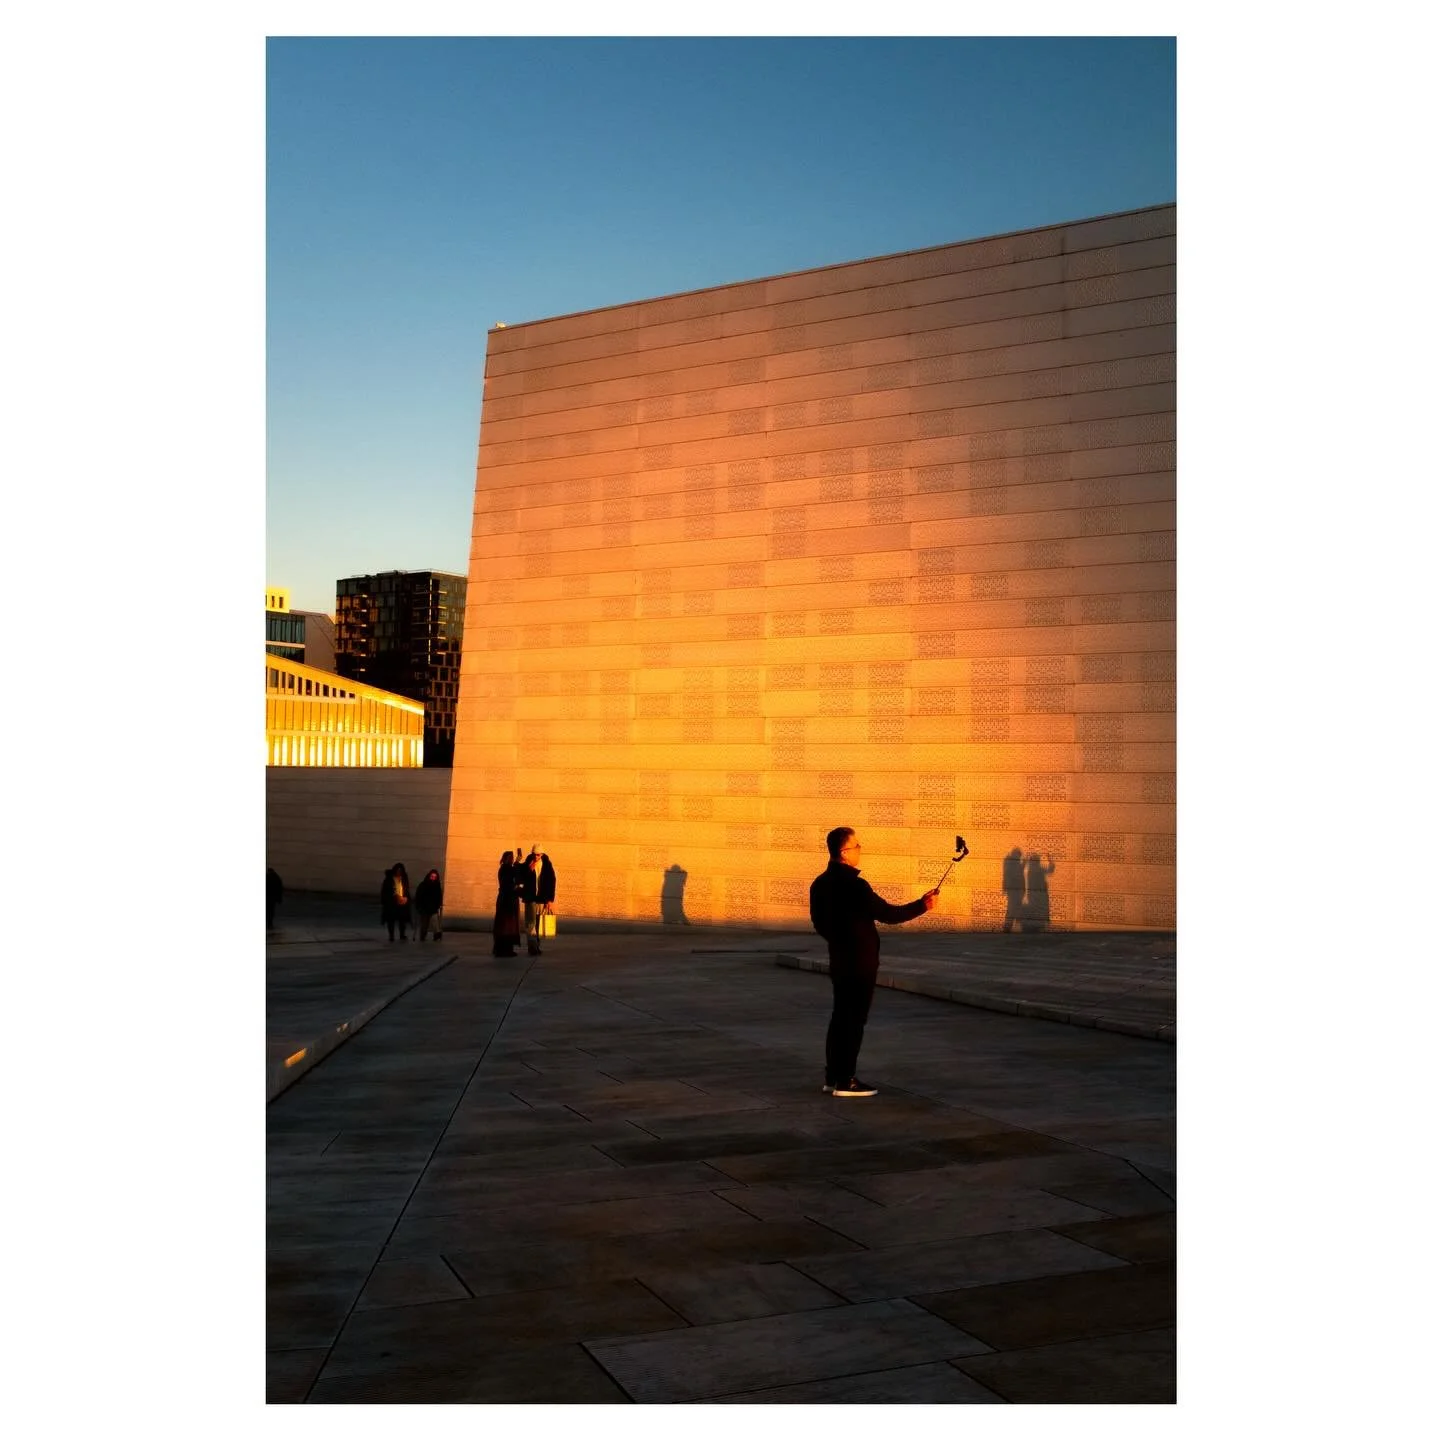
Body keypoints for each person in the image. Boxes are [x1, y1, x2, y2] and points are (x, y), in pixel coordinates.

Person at [809, 827, 938, 1098]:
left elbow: (819, 923)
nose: (860, 850)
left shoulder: (819, 884)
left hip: (839, 958)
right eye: (856, 846)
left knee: (840, 1017)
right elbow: (888, 914)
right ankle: (846, 1081)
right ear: (844, 852)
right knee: (854, 1020)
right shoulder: (855, 885)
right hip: (859, 962)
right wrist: (922, 905)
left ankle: (833, 1077)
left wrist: (839, 939)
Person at [492, 851, 521, 957]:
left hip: (510, 899)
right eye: (510, 857)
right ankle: (503, 949)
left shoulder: (509, 868)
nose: (511, 859)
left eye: (512, 858)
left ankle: (508, 948)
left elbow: (516, 877)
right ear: (505, 858)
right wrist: (514, 887)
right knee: (505, 925)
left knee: (510, 926)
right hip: (506, 900)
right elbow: (508, 882)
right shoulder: (505, 869)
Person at [380, 862, 412, 942]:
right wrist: (395, 897)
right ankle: (391, 936)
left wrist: (406, 898)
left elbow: (406, 890)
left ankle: (402, 934)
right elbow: (385, 892)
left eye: (400, 871)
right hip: (392, 903)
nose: (399, 872)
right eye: (398, 870)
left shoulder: (404, 879)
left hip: (402, 902)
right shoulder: (389, 880)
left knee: (402, 920)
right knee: (391, 920)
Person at [520, 848, 543, 956]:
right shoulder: (528, 864)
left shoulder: (545, 865)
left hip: (540, 898)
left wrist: (549, 899)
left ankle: (536, 946)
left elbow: (550, 881)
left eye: (538, 855)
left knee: (537, 924)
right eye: (534, 854)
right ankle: (532, 947)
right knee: (531, 924)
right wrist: (529, 869)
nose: (536, 857)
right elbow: (521, 877)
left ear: (541, 854)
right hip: (530, 898)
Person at [415, 868, 444, 942]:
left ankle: (436, 935)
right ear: (429, 876)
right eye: (432, 876)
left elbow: (439, 896)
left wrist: (439, 904)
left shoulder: (437, 886)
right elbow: (418, 896)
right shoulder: (423, 884)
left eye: (435, 877)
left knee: (435, 923)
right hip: (424, 908)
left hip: (433, 908)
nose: (433, 878)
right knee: (424, 924)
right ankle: (422, 936)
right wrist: (418, 906)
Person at [1001, 847, 1025, 933]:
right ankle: (1008, 927)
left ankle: (1009, 926)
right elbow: (1014, 874)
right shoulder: (1011, 862)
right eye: (1019, 856)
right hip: (1014, 889)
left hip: (1015, 889)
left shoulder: (1012, 862)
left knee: (1013, 907)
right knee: (1012, 907)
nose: (1019, 858)